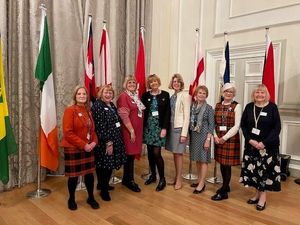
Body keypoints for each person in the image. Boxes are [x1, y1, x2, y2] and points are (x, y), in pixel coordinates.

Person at [240, 84, 281, 211]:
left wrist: (264, 143)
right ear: (254, 94)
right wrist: (250, 140)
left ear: (266, 94)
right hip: (252, 146)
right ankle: (257, 193)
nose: (259, 95)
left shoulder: (272, 107)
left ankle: (263, 197)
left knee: (264, 173)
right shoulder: (249, 107)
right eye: (257, 92)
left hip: (268, 148)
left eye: (262, 93)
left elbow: (277, 128)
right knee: (254, 172)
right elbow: (244, 126)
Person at [61, 86, 99, 210]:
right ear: (75, 96)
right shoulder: (70, 110)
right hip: (74, 148)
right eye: (79, 94)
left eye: (84, 94)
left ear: (87, 96)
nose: (82, 96)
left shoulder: (88, 111)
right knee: (73, 176)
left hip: (88, 148)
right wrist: (84, 145)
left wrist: (94, 142)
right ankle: (71, 199)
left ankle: (91, 197)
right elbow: (68, 133)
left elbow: (92, 130)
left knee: (89, 175)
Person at [91, 85, 127, 201]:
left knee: (107, 164)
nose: (108, 95)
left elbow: (116, 120)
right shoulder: (98, 106)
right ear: (101, 93)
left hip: (114, 138)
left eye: (110, 93)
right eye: (106, 93)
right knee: (105, 165)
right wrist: (108, 142)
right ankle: (104, 191)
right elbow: (100, 127)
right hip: (105, 141)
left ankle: (102, 185)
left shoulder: (111, 104)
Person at [211, 83, 241, 201]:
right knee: (222, 164)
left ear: (233, 94)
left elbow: (237, 126)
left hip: (230, 139)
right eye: (226, 91)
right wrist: (215, 136)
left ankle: (224, 191)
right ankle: (226, 185)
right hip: (218, 138)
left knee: (227, 165)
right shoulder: (217, 105)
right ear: (222, 93)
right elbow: (213, 123)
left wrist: (224, 138)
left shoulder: (236, 106)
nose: (228, 94)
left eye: (231, 92)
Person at [141, 74, 171, 192]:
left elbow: (168, 113)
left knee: (156, 153)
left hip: (159, 128)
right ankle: (153, 176)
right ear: (149, 84)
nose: (154, 83)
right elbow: (142, 110)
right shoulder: (145, 95)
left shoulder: (165, 95)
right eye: (151, 82)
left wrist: (165, 128)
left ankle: (162, 178)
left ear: (158, 82)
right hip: (148, 128)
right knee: (149, 153)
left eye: (155, 81)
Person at [117, 75, 145, 192]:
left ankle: (126, 178)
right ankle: (130, 180)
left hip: (137, 130)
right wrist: (131, 130)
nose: (132, 84)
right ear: (125, 85)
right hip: (129, 130)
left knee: (132, 156)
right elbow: (123, 115)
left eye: (134, 82)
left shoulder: (135, 96)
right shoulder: (124, 96)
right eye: (129, 83)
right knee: (129, 155)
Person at [165, 73, 191, 190]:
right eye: (174, 81)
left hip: (180, 128)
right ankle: (176, 177)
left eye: (178, 81)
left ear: (181, 83)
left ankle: (179, 179)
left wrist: (184, 134)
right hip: (171, 127)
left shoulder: (185, 95)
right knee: (175, 154)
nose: (176, 83)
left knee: (179, 154)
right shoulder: (173, 96)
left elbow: (187, 116)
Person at [189, 85, 214, 194]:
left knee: (203, 160)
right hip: (194, 135)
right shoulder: (193, 106)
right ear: (196, 94)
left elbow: (211, 125)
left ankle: (202, 183)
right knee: (198, 159)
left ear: (206, 95)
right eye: (200, 93)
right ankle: (199, 179)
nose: (202, 95)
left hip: (204, 136)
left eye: (204, 93)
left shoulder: (209, 108)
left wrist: (208, 140)